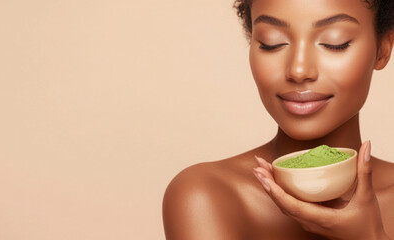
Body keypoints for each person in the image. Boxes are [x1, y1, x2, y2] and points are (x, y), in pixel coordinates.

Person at [162, 0, 394, 239]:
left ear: (383, 48)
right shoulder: (207, 196)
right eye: (272, 43)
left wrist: (370, 235)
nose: (298, 70)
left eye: (334, 42)